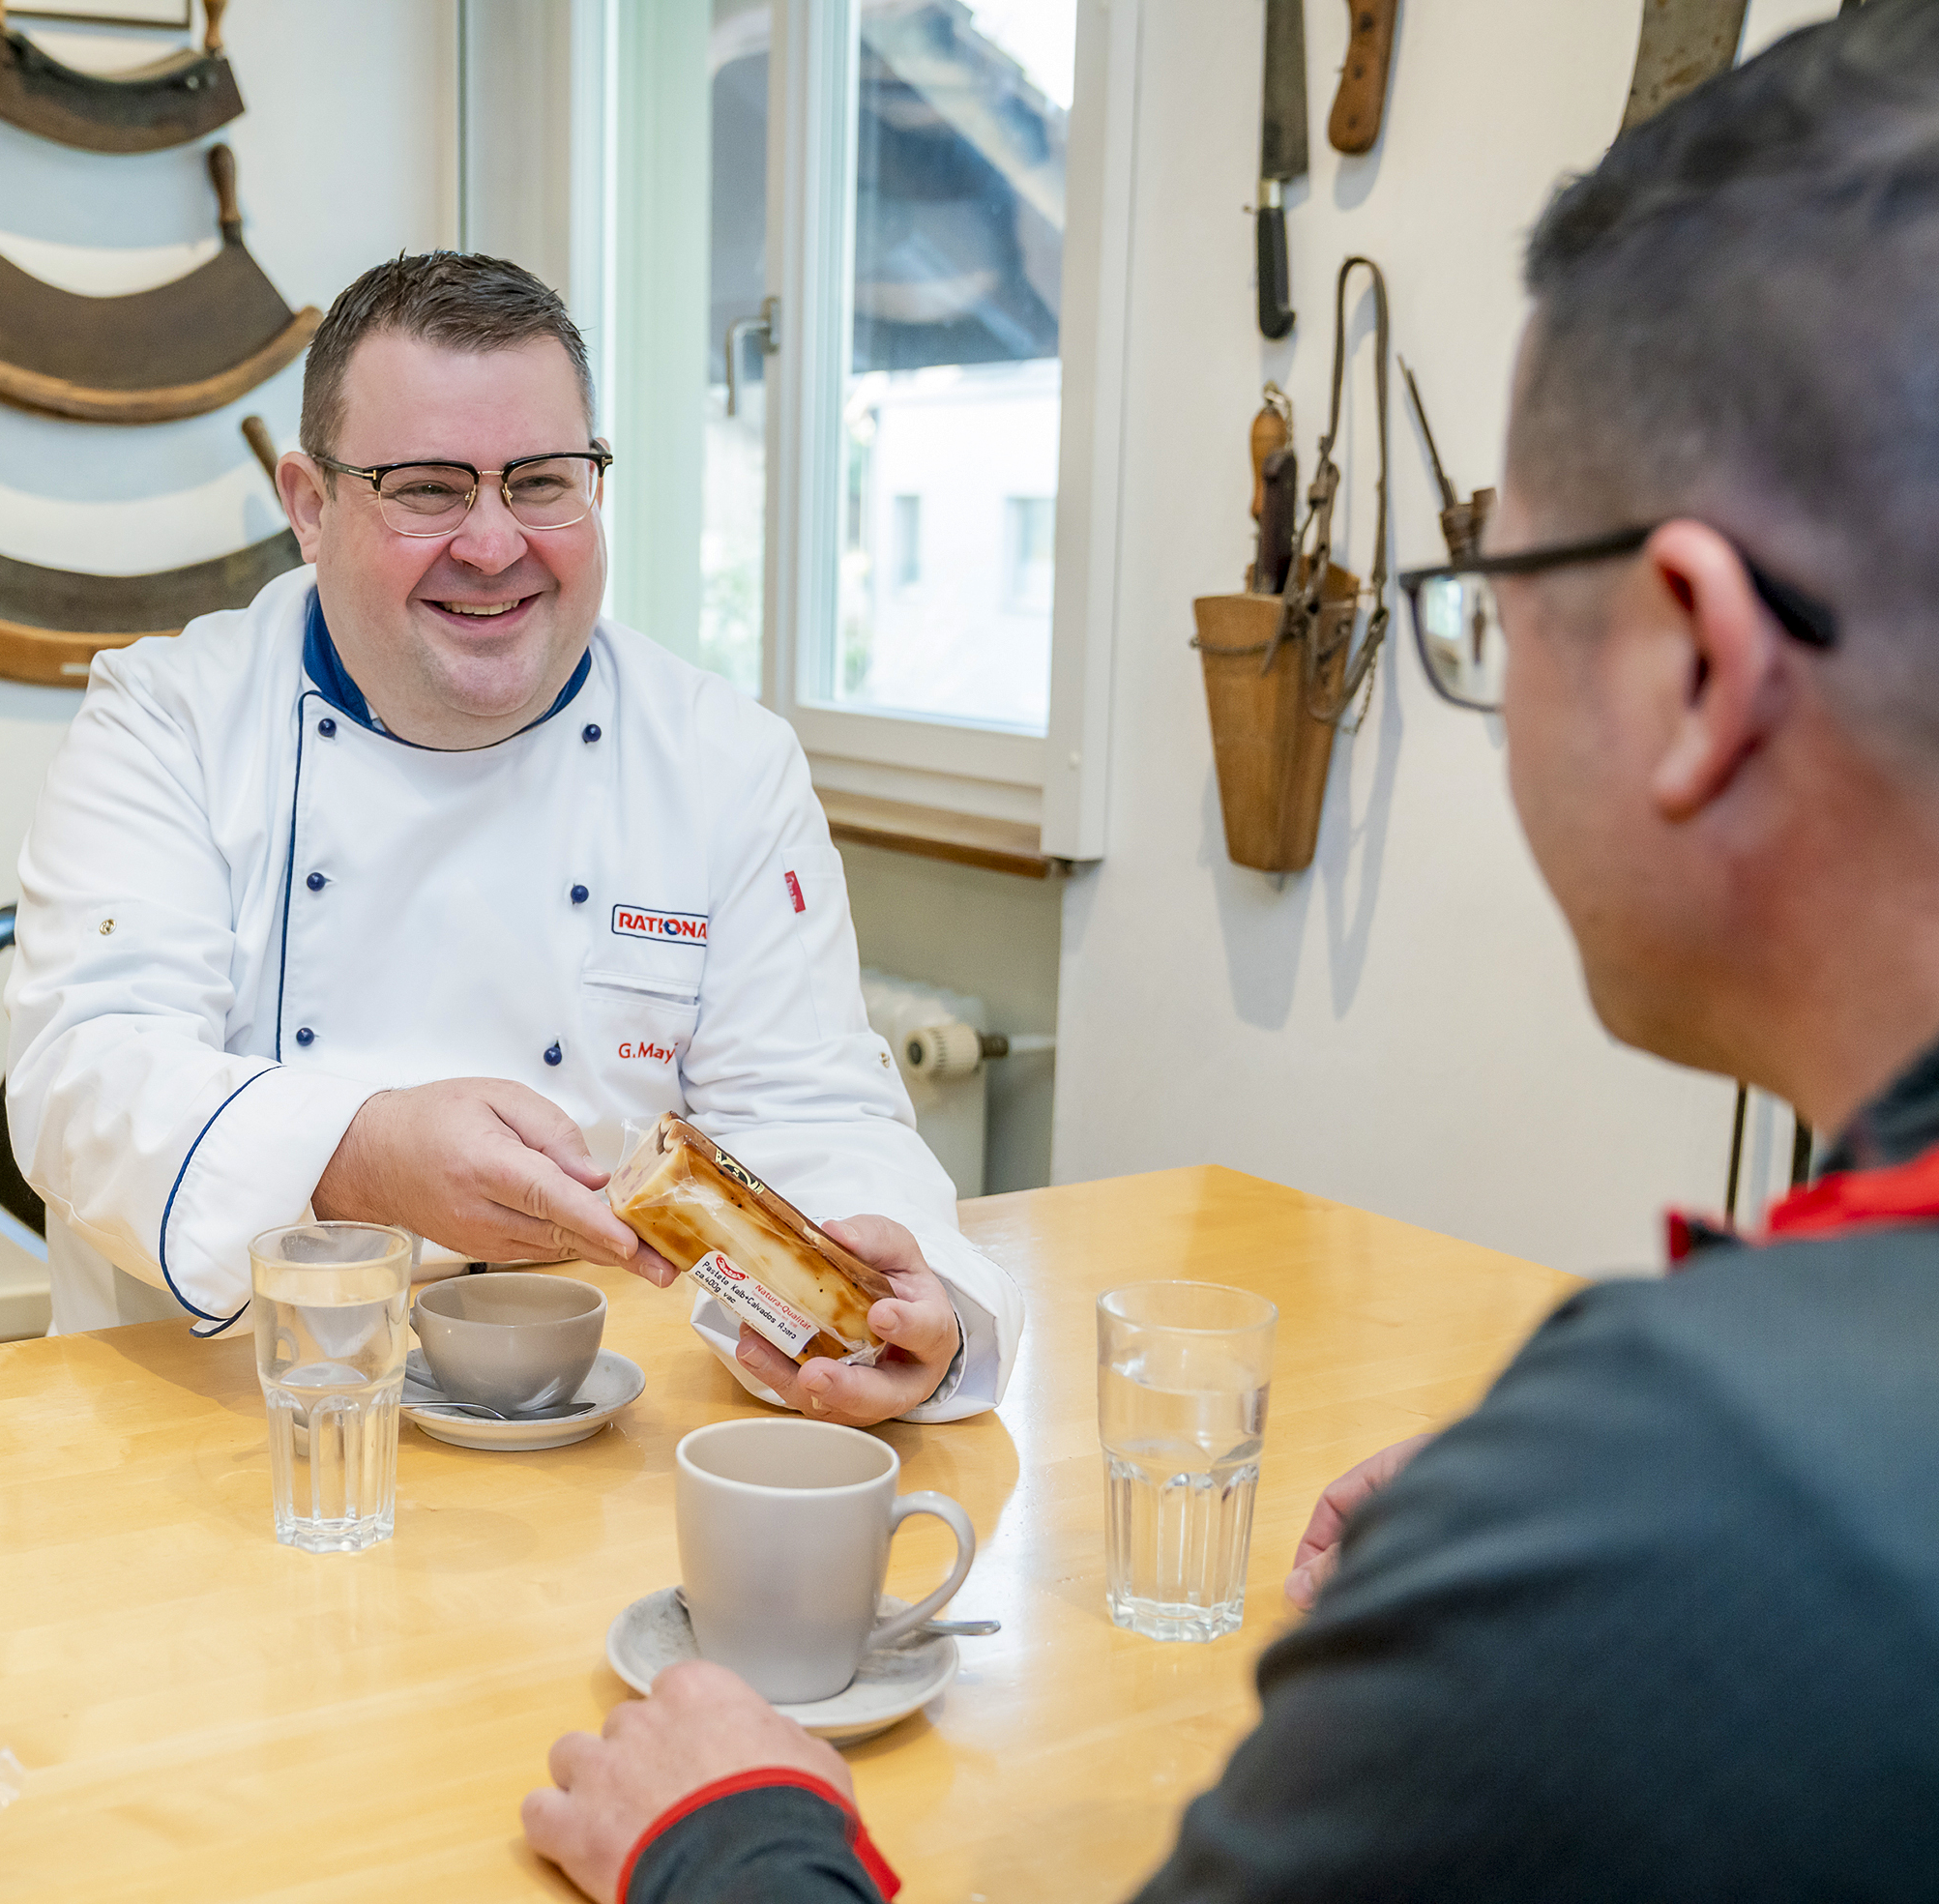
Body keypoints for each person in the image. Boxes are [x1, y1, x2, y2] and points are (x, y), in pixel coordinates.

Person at [524, 9, 1939, 1898]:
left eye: (1487, 608)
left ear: (1692, 664)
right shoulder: (1699, 1478)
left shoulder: (1686, 1495)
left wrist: (725, 1830)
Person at [3, 252, 1023, 1426]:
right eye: (427, 489)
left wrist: (895, 1304)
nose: (493, 546)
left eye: (540, 482)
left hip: (600, 1409)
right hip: (227, 1414)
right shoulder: (168, 721)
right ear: (310, 506)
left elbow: (810, 1117)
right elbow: (89, 1079)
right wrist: (357, 1153)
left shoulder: (722, 759)